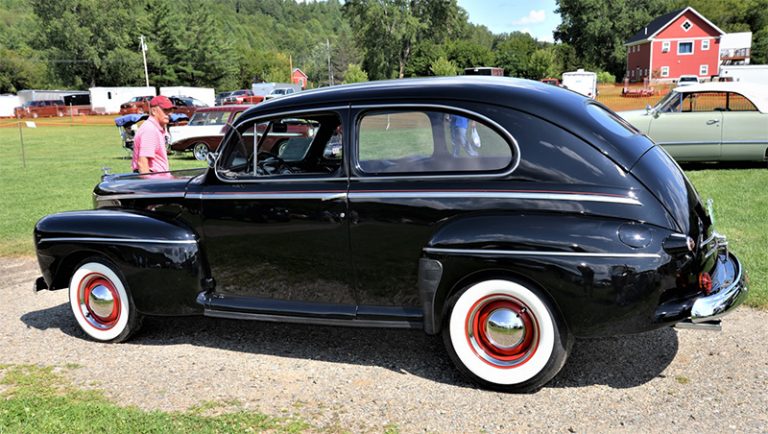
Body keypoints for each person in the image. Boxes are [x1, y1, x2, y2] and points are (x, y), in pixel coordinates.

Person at [131, 95, 174, 173]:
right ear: (153, 111)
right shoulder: (150, 130)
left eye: (171, 109)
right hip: (153, 179)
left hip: (157, 178)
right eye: (165, 110)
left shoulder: (154, 128)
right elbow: (142, 163)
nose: (170, 113)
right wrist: (149, 184)